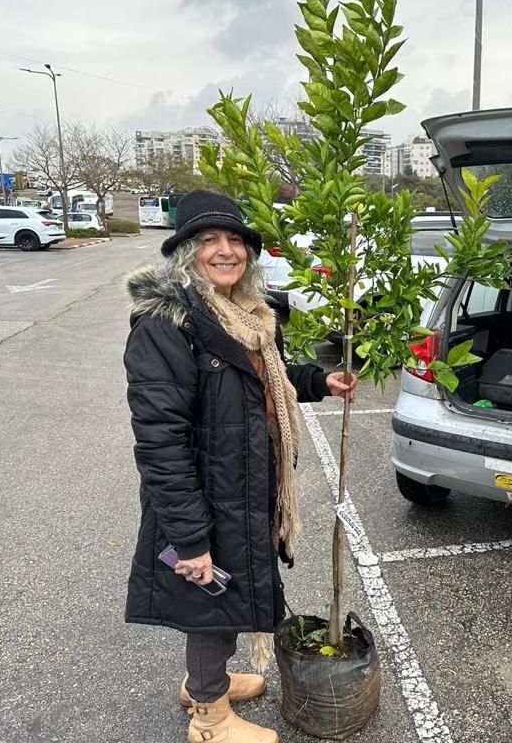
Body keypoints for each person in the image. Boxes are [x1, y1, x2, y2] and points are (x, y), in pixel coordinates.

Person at [123, 189, 356, 743]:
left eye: (235, 240)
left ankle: (205, 683)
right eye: (209, 240)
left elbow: (260, 380)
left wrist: (317, 380)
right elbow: (159, 441)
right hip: (207, 495)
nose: (226, 251)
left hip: (243, 486)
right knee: (211, 599)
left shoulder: (246, 316)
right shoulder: (168, 325)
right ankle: (209, 716)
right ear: (186, 254)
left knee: (224, 594)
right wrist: (189, 538)